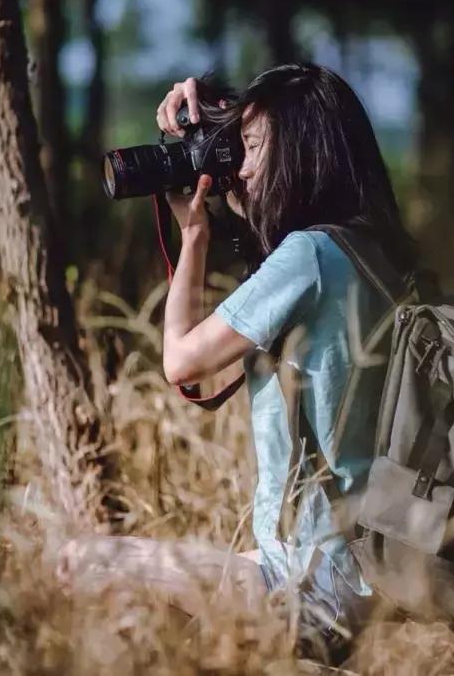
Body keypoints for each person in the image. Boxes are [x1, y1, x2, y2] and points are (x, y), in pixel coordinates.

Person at [59, 63, 420, 663]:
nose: (241, 168)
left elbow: (183, 363)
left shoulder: (307, 256)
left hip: (308, 586)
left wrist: (193, 237)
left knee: (76, 562)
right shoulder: (368, 253)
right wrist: (225, 122)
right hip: (362, 578)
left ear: (302, 154)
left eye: (251, 148)